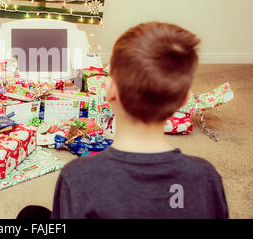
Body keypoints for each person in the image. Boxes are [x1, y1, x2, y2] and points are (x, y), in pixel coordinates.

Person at [17, 22, 229, 219]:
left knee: (30, 216)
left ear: (109, 91)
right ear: (183, 100)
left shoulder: (77, 176)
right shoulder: (205, 177)